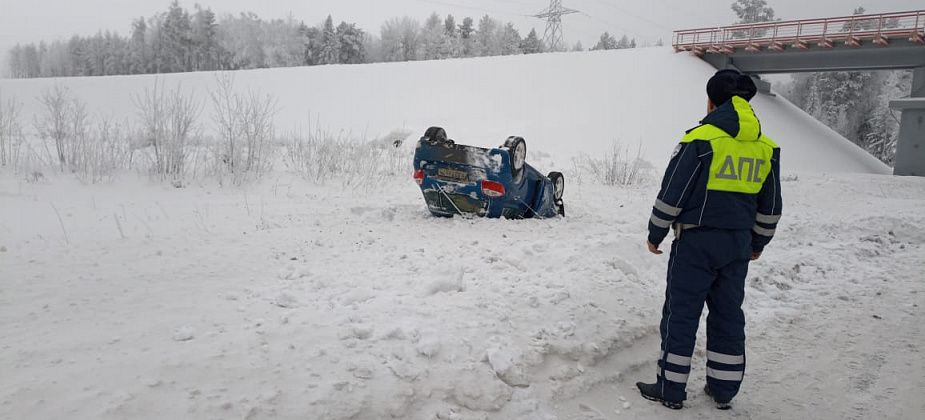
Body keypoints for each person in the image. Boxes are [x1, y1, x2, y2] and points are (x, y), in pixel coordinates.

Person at [636, 69, 783, 410]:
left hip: (696, 243)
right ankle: (724, 388)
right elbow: (771, 205)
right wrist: (758, 242)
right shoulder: (766, 147)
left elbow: (673, 194)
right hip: (737, 247)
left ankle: (670, 388)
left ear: (711, 101)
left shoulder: (701, 140)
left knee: (682, 313)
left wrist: (655, 233)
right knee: (728, 314)